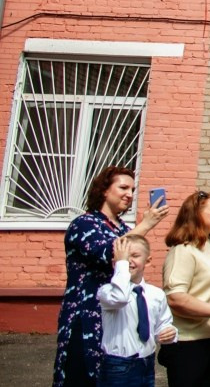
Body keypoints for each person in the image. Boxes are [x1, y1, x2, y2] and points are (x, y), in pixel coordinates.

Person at [56, 166, 168, 387]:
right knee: (83, 379)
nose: (130, 194)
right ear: (104, 190)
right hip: (88, 318)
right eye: (123, 188)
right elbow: (109, 253)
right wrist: (146, 225)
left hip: (119, 321)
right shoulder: (84, 223)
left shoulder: (122, 228)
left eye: (132, 190)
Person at [161, 190, 210, 387]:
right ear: (196, 213)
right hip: (190, 344)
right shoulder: (183, 250)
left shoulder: (209, 245)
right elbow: (176, 297)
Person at [96, 234, 177, 387]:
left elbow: (163, 324)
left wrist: (170, 332)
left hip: (146, 363)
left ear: (148, 260)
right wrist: (121, 264)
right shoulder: (107, 292)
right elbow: (121, 297)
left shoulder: (156, 294)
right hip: (117, 366)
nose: (128, 261)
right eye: (124, 257)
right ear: (115, 263)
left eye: (135, 256)